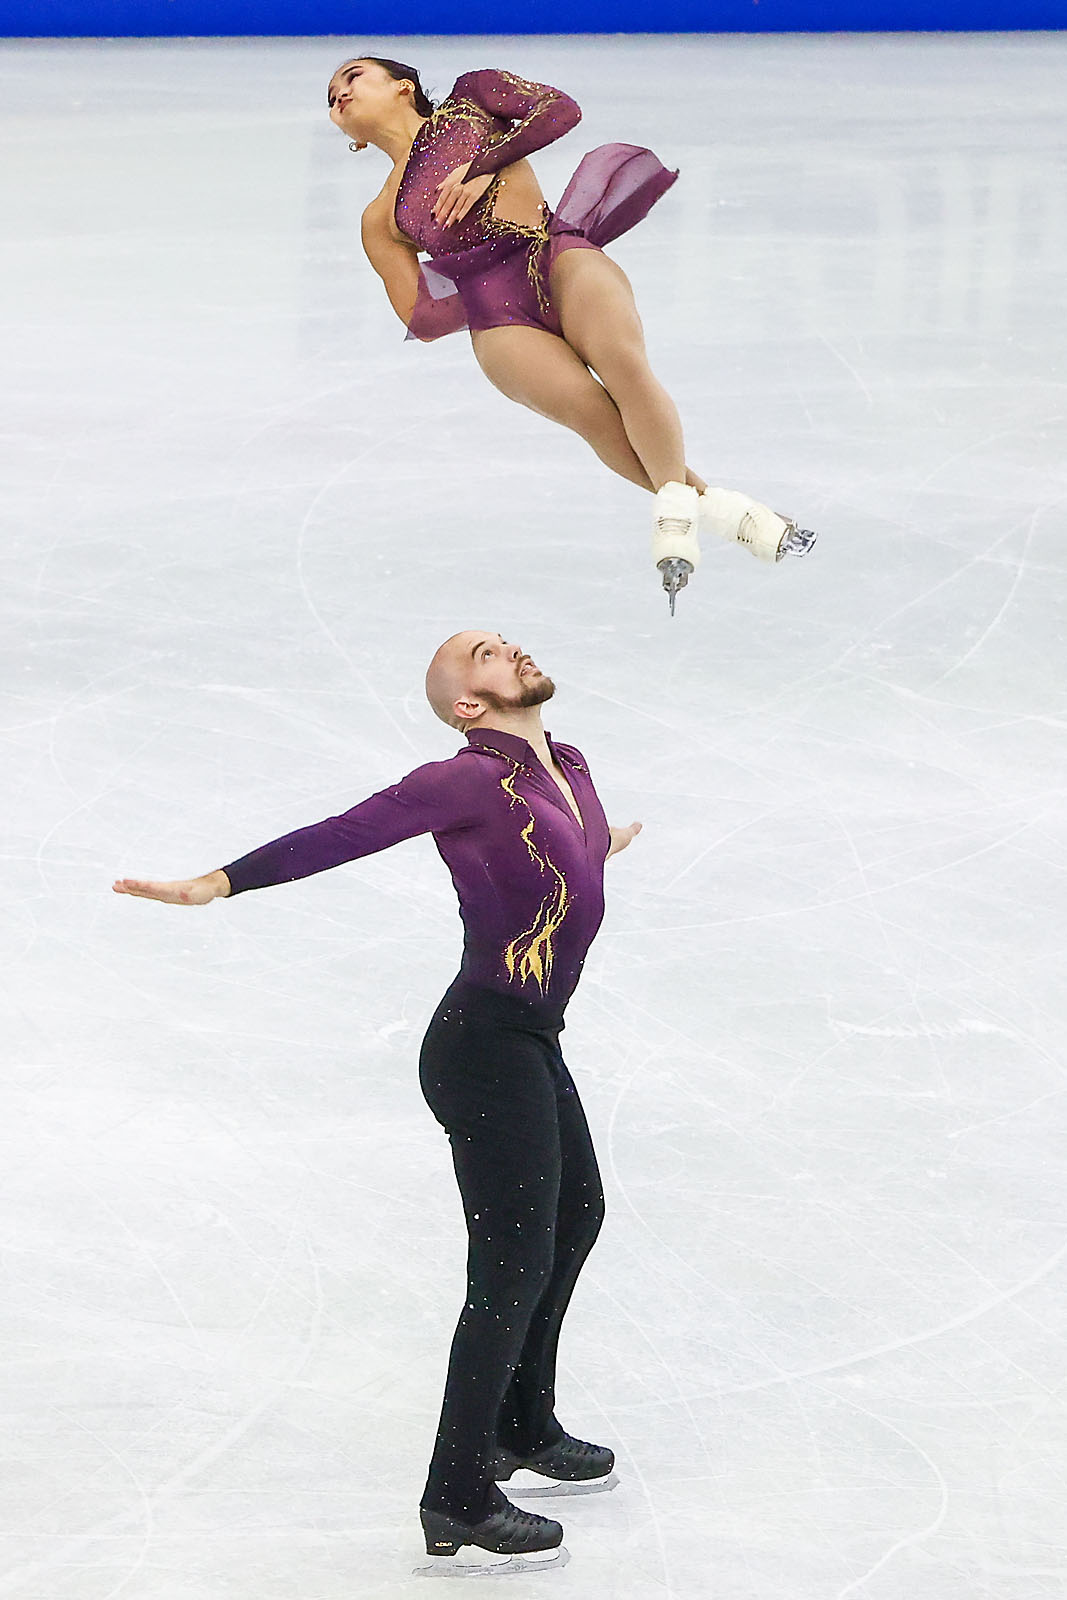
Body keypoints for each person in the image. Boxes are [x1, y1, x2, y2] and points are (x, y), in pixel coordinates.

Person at [113, 632, 642, 1572]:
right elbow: (344, 831)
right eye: (483, 654)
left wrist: (599, 845)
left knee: (577, 1215)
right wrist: (217, 882)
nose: (508, 648)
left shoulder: (566, 764)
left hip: (529, 1036)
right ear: (465, 706)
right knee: (511, 1261)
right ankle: (457, 1498)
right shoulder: (463, 778)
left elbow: (570, 861)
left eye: (503, 638)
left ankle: (522, 1428)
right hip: (481, 1046)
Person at [329, 56, 817, 611]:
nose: (339, 94)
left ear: (402, 86)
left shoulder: (472, 99)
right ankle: (720, 510)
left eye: (354, 77)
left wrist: (488, 164)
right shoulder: (379, 219)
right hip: (498, 312)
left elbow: (559, 110)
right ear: (348, 136)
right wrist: (470, 266)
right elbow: (422, 317)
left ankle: (687, 519)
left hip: (556, 258)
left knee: (625, 369)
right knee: (598, 419)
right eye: (330, 95)